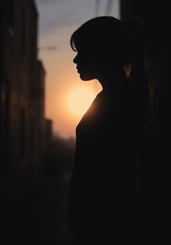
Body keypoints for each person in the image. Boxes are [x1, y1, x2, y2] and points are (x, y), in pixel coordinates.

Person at [67, 16, 151, 243]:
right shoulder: (118, 95)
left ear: (102, 51)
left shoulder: (120, 99)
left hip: (105, 225)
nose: (75, 60)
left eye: (82, 51)